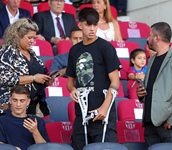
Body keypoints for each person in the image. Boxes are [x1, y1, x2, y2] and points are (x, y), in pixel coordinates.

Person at [66, 7, 121, 150]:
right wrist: (72, 90)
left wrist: (104, 107)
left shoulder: (106, 47)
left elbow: (115, 81)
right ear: (80, 25)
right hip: (81, 114)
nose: (92, 28)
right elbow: (70, 81)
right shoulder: (74, 50)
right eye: (88, 24)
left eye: (95, 24)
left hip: (103, 113)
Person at [136, 22, 172, 149]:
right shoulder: (151, 60)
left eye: (150, 35)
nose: (147, 38)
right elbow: (154, 90)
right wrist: (141, 94)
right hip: (150, 125)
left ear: (157, 38)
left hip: (169, 125)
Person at [0, 18, 54, 117]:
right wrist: (33, 78)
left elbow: (37, 77)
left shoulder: (31, 53)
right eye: (29, 38)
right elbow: (6, 79)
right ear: (18, 36)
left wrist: (45, 81)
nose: (32, 41)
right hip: (15, 107)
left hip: (34, 103)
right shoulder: (7, 53)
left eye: (34, 38)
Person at [0, 85, 50, 150]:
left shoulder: (38, 121)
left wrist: (35, 132)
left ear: (28, 102)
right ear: (10, 100)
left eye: (22, 101)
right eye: (15, 100)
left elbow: (45, 148)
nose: (18, 104)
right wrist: (12, 149)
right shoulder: (2, 120)